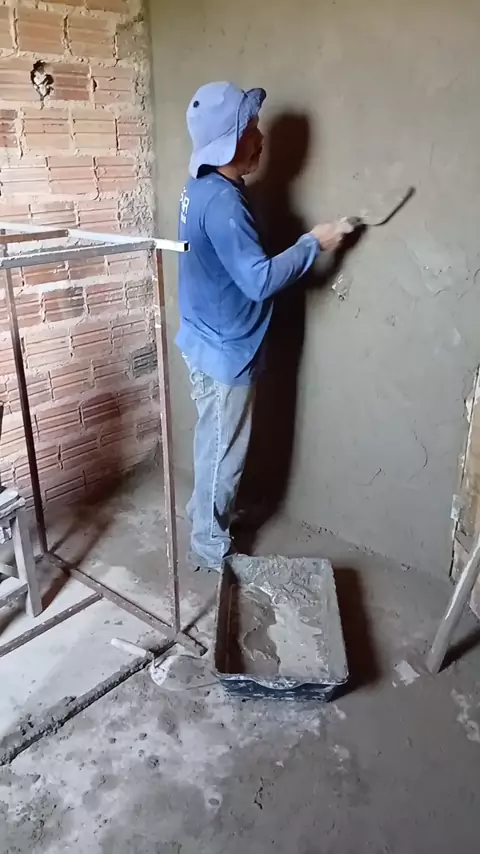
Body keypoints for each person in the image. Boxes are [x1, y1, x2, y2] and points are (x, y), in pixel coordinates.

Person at [176, 81, 351, 572]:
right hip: (224, 351)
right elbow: (257, 281)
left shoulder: (200, 187)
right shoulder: (224, 203)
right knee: (225, 452)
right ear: (228, 143)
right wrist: (313, 243)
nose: (260, 137)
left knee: (212, 439)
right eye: (250, 128)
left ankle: (200, 514)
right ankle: (209, 545)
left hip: (202, 336)